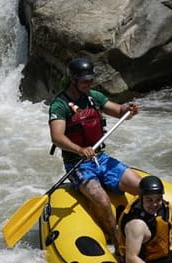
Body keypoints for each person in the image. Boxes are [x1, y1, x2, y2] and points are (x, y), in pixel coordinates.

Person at [48, 57, 141, 251]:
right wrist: (80, 149)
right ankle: (116, 240)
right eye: (85, 81)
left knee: (140, 185)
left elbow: (118, 110)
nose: (89, 84)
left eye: (91, 80)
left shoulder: (94, 97)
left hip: (101, 159)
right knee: (101, 199)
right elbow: (57, 137)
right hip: (78, 163)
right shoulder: (60, 105)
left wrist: (129, 109)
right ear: (73, 80)